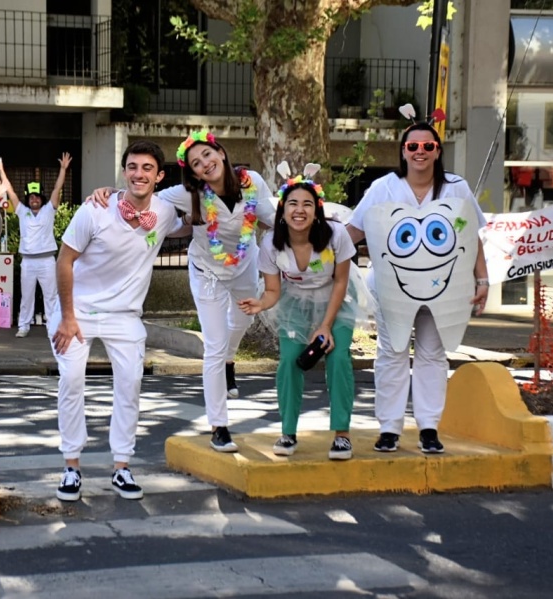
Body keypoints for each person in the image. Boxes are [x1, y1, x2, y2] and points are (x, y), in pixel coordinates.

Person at [90, 131, 274, 453]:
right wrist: (110, 192)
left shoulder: (253, 182)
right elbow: (145, 196)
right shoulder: (188, 194)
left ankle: (232, 358)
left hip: (246, 266)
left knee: (242, 323)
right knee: (213, 347)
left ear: (220, 151)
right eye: (196, 163)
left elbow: (272, 219)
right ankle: (219, 425)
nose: (204, 164)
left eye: (207, 155)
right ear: (192, 172)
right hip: (207, 273)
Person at [346, 121, 489, 454]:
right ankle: (389, 428)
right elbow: (353, 232)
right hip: (393, 288)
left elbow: (472, 238)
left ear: (438, 150)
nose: (420, 152)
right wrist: (313, 246)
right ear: (403, 152)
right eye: (413, 147)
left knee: (432, 355)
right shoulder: (384, 187)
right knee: (392, 353)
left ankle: (428, 427)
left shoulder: (456, 188)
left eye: (428, 146)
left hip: (446, 290)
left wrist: (482, 280)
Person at [51, 140, 182, 502]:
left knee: (129, 385)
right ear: (124, 171)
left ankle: (122, 467)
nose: (139, 174)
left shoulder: (166, 211)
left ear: (159, 176)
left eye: (147, 168)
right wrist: (66, 317)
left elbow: (196, 218)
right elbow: (64, 261)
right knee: (72, 381)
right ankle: (71, 467)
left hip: (125, 315)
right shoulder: (94, 210)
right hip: (78, 311)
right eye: (132, 167)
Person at [239, 178, 358, 460]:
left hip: (335, 302)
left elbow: (341, 281)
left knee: (338, 358)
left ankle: (342, 434)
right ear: (282, 210)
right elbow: (273, 290)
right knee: (289, 362)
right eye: (292, 203)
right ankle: (288, 431)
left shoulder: (336, 235)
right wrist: (261, 304)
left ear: (317, 210)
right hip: (294, 303)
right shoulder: (271, 243)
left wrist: (326, 325)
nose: (299, 210)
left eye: (307, 204)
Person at [0, 153, 71, 338]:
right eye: (31, 197)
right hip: (28, 262)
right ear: (27, 199)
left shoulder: (49, 210)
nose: (34, 199)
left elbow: (57, 188)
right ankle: (24, 326)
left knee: (51, 296)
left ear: (41, 198)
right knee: (26, 297)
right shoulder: (22, 211)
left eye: (37, 197)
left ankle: (52, 327)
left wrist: (63, 169)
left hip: (47, 261)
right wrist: (1, 169)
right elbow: (10, 190)